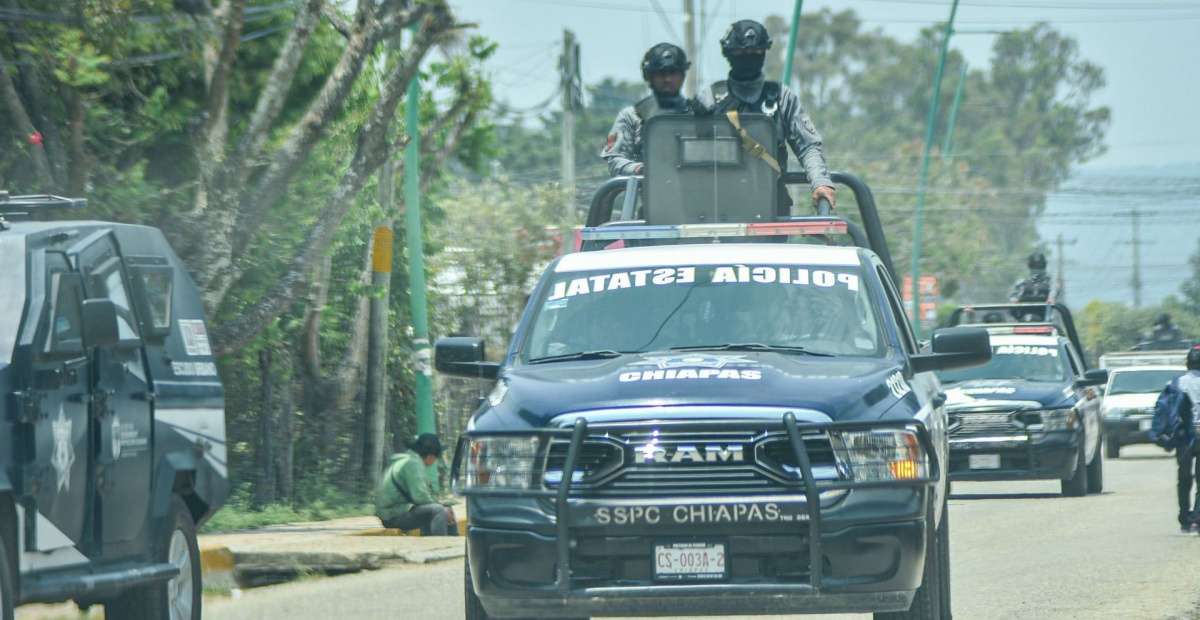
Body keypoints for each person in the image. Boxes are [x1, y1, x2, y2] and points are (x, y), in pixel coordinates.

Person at [696, 19, 836, 211]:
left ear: (764, 52)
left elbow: (807, 146)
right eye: (742, 53)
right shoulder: (711, 98)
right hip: (717, 206)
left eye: (756, 52)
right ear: (728, 53)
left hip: (771, 206)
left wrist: (820, 183)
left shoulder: (781, 96)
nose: (749, 58)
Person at [601, 43, 695, 176]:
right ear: (649, 76)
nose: (668, 79)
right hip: (645, 187)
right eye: (661, 73)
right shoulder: (632, 116)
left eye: (673, 73)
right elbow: (615, 160)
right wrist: (640, 169)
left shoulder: (697, 115)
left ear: (682, 75)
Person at [1149, 345, 1200, 533]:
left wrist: (1161, 434)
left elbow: (1163, 410)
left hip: (1184, 437)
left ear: (1188, 363)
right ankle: (1197, 519)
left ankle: (1185, 518)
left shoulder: (1176, 383)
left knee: (1184, 478)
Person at [375, 433, 458, 536]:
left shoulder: (408, 460)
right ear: (431, 456)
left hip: (393, 512)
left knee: (443, 508)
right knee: (439, 511)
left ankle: (446, 540)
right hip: (392, 515)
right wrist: (442, 507)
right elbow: (420, 497)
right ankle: (442, 543)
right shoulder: (413, 464)